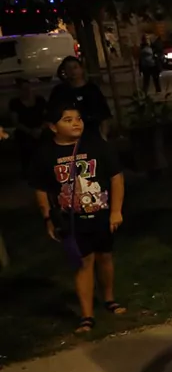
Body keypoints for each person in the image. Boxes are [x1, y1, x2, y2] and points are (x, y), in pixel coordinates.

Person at [33, 102, 126, 333]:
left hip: (101, 215)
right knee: (83, 263)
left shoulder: (96, 146)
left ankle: (109, 299)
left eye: (78, 119)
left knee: (105, 257)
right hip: (71, 220)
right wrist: (48, 218)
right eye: (68, 120)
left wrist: (116, 210)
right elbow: (41, 188)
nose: (76, 123)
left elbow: (116, 177)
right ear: (53, 127)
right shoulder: (45, 154)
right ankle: (87, 316)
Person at [49, 56, 113, 141]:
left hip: (92, 132)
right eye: (69, 68)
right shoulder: (60, 91)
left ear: (81, 69)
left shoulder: (92, 89)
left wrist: (103, 135)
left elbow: (104, 115)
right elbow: (51, 114)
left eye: (75, 67)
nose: (73, 71)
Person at [9, 77, 47, 179]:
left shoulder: (40, 100)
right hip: (25, 131)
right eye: (23, 88)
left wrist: (40, 129)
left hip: (40, 129)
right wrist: (30, 131)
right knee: (25, 144)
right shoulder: (15, 103)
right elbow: (15, 122)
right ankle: (28, 171)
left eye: (28, 88)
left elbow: (47, 117)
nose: (26, 91)